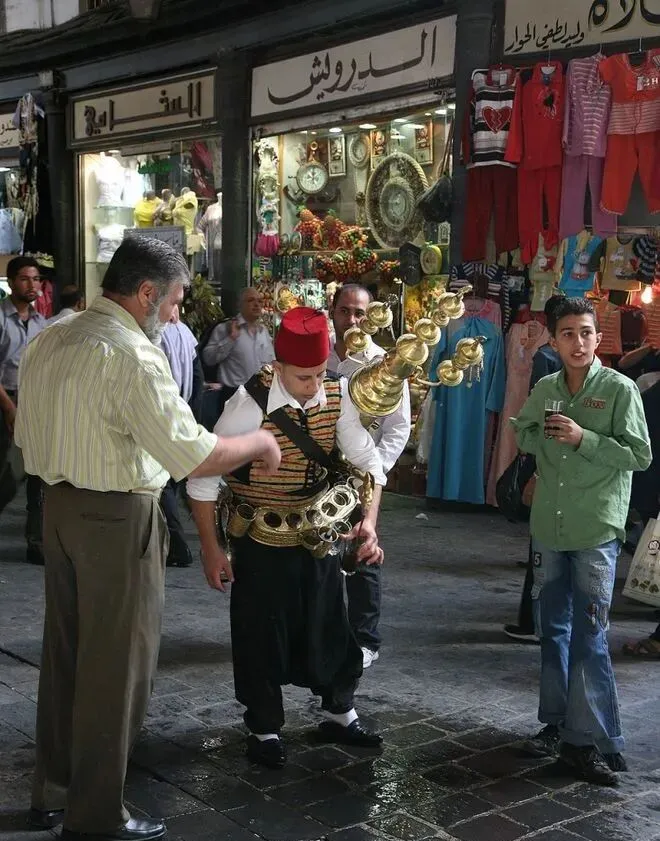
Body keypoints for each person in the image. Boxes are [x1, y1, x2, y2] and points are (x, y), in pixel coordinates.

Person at [15, 238, 281, 841]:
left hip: (57, 509)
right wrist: (259, 446)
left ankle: (51, 794)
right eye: (174, 302)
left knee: (66, 658)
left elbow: (26, 434)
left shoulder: (54, 336)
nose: (175, 315)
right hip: (115, 519)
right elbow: (194, 454)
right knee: (117, 669)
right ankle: (96, 815)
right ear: (144, 294)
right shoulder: (131, 354)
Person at [188, 306, 386, 770]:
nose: (314, 385)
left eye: (319, 374)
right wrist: (211, 548)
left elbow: (369, 465)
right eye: (302, 377)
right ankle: (264, 726)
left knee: (330, 622)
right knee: (260, 631)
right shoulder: (248, 404)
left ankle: (340, 711)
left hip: (319, 534)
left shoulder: (338, 395)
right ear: (277, 367)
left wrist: (369, 523)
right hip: (259, 538)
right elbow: (201, 479)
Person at [512, 297, 651, 786]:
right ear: (554, 339)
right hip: (550, 527)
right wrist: (538, 439)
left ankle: (589, 740)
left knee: (590, 636)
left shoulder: (620, 390)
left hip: (595, 528)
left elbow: (640, 454)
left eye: (586, 333)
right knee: (553, 631)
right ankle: (554, 725)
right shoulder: (547, 386)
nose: (578, 342)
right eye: (568, 333)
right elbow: (523, 431)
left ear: (597, 338)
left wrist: (582, 440)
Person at [328, 284, 410, 669]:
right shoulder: (318, 355)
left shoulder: (387, 363)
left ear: (373, 316)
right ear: (332, 312)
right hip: (319, 473)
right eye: (345, 311)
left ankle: (365, 639)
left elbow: (398, 428)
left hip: (364, 476)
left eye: (360, 313)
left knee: (364, 551)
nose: (352, 320)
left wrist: (373, 472)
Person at [504, 296, 563, 644]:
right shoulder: (548, 366)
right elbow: (531, 422)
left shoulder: (610, 387)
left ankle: (536, 622)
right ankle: (536, 623)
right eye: (568, 333)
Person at [0, 256, 47, 563]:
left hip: (34, 402)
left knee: (39, 475)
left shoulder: (42, 322)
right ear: (11, 282)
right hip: (6, 398)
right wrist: (9, 409)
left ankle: (37, 543)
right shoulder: (1, 318)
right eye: (24, 279)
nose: (32, 285)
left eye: (36, 279)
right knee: (6, 474)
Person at [159, 307, 205, 567]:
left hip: (168, 416)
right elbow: (198, 378)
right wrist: (193, 419)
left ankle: (177, 545)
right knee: (175, 482)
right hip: (183, 412)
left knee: (166, 484)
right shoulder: (185, 333)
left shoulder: (156, 334)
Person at [200, 287, 274, 428]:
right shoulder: (226, 328)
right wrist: (230, 339)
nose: (257, 304)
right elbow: (208, 357)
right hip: (232, 396)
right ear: (240, 305)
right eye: (251, 300)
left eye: (259, 301)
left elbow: (270, 362)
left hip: (260, 397)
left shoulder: (263, 332)